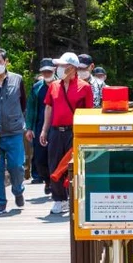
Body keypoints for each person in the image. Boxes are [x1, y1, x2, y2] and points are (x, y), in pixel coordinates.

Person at [40, 51, 94, 215]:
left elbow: (89, 112)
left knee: (75, 166)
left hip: (74, 132)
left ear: (72, 68)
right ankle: (59, 199)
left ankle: (75, 198)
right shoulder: (54, 86)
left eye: (62, 66)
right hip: (56, 131)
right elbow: (49, 107)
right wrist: (44, 129)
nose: (58, 68)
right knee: (55, 165)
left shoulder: (84, 87)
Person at [0, 48, 28, 214]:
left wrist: (19, 119)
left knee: (17, 166)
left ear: (6, 62)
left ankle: (18, 190)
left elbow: (23, 102)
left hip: (14, 131)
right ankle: (0, 202)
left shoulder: (18, 79)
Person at [25, 58, 55, 190]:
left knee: (55, 156)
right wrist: (29, 128)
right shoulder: (37, 88)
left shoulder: (60, 85)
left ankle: (55, 182)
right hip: (39, 125)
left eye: (49, 71)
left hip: (56, 125)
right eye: (44, 71)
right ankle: (47, 179)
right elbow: (30, 108)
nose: (47, 73)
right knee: (39, 158)